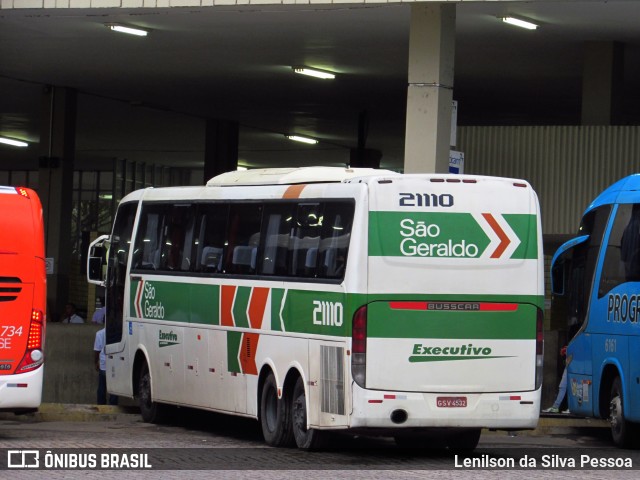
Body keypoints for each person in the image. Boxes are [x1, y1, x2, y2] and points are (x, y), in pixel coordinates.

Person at [543, 346, 570, 414]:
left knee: (573, 387)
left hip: (577, 365)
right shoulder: (576, 340)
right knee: (563, 386)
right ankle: (555, 407)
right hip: (569, 365)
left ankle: (573, 408)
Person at [94, 327, 117, 406]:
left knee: (102, 387)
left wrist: (96, 362)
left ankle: (101, 406)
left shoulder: (99, 333)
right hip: (114, 364)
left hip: (103, 364)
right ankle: (113, 406)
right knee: (114, 389)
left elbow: (97, 351)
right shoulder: (117, 332)